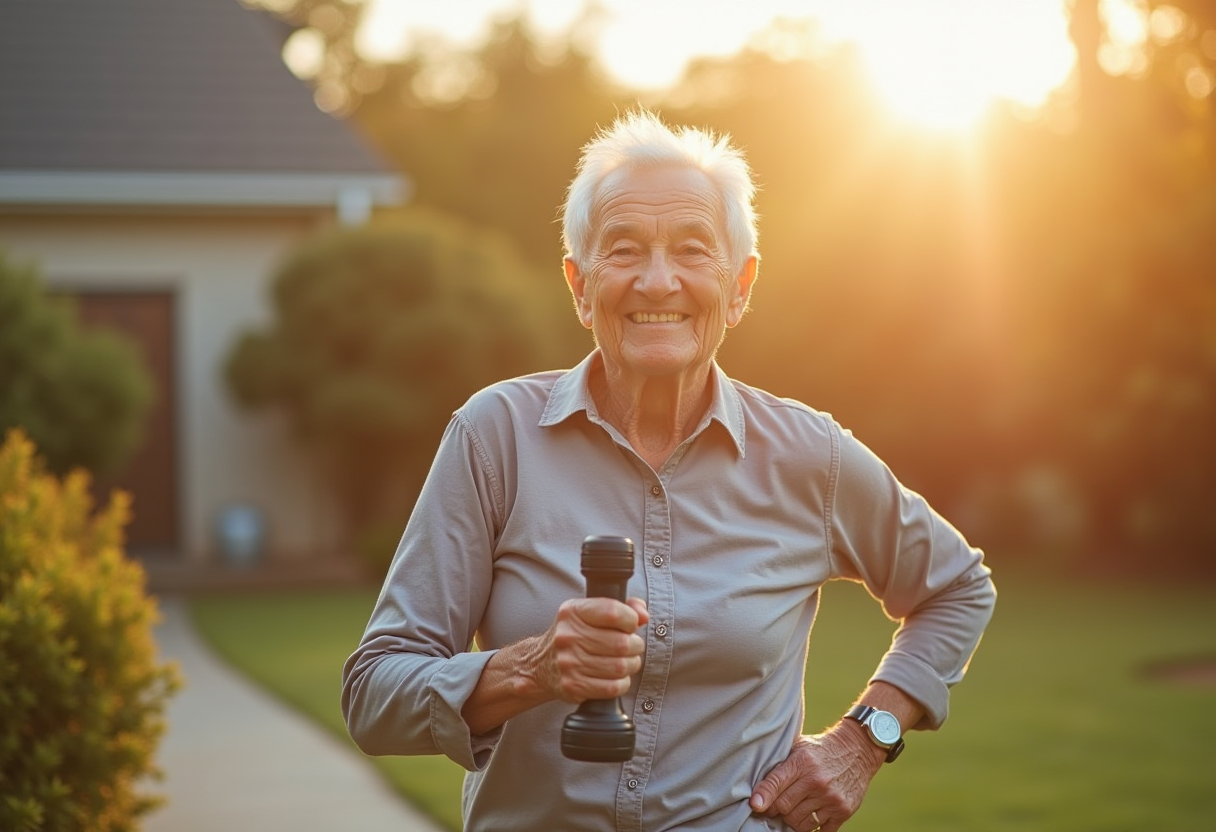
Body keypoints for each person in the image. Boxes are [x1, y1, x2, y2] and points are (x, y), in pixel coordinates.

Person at [342, 109, 996, 832]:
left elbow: (957, 587)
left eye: (692, 249)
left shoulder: (808, 454)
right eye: (624, 250)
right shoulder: (496, 436)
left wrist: (864, 741)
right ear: (580, 286)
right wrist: (529, 670)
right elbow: (374, 695)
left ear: (739, 285)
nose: (658, 282)